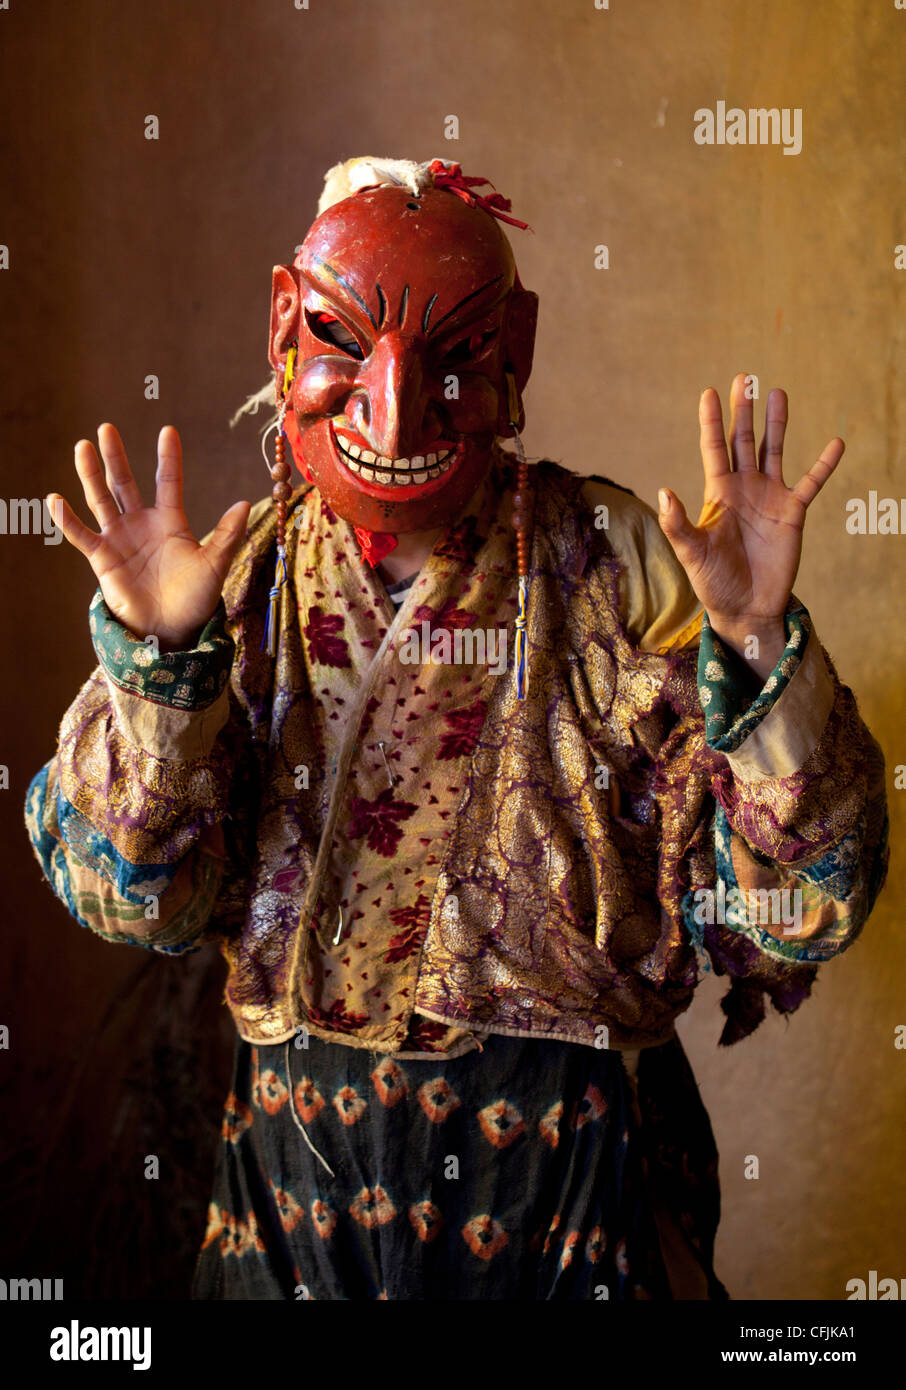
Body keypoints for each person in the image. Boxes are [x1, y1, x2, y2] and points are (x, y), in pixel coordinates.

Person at [25, 156, 889, 1301]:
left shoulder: (624, 567)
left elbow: (791, 918)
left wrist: (758, 649)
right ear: (284, 328)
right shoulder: (242, 584)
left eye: (456, 355)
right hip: (297, 1176)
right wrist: (157, 673)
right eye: (346, 343)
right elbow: (131, 897)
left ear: (515, 353)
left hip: (567, 1168)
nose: (394, 405)